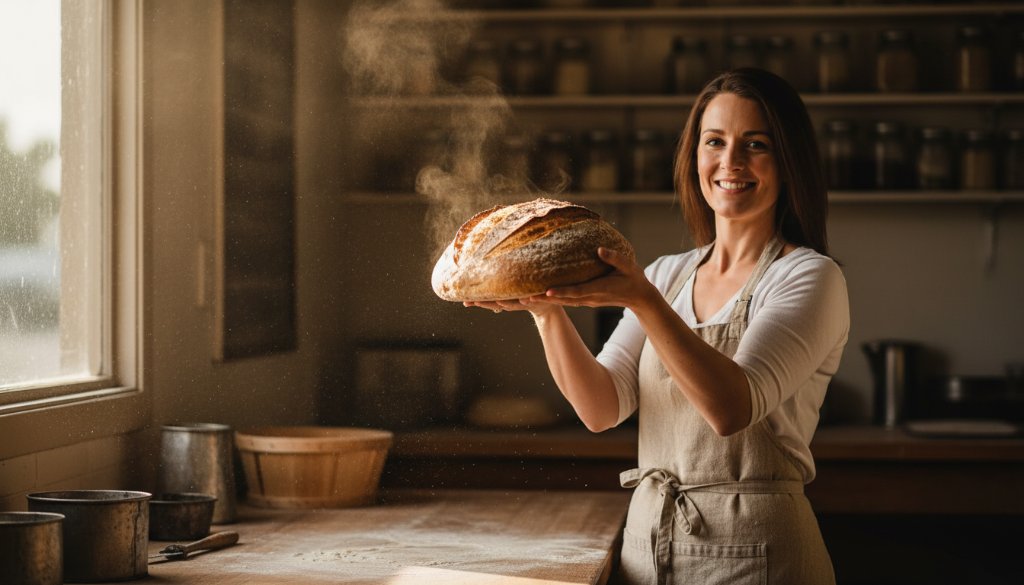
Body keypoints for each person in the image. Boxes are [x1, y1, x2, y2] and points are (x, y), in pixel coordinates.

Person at [465, 68, 849, 585]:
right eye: (715, 142)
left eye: (755, 144)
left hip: (759, 555)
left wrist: (646, 302)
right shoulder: (667, 274)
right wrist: (545, 310)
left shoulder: (809, 276)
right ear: (695, 158)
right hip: (648, 548)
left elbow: (733, 407)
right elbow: (602, 408)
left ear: (789, 160)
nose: (730, 162)